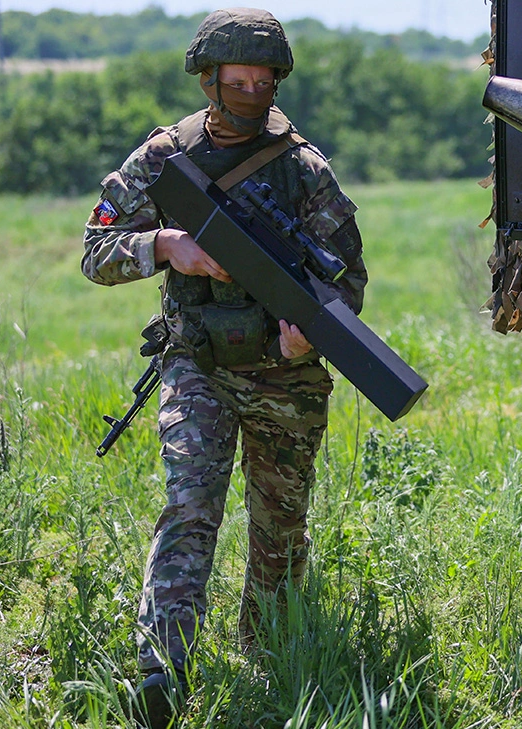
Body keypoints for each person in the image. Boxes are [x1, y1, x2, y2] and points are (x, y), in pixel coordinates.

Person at [81, 8, 366, 728]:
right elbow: (95, 248)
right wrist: (165, 246)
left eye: (264, 79)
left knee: (280, 528)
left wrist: (310, 335)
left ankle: (272, 665)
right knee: (190, 502)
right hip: (197, 363)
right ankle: (162, 668)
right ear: (209, 79)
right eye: (238, 79)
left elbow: (350, 279)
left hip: (286, 378)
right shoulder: (163, 159)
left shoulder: (305, 169)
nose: (252, 89)